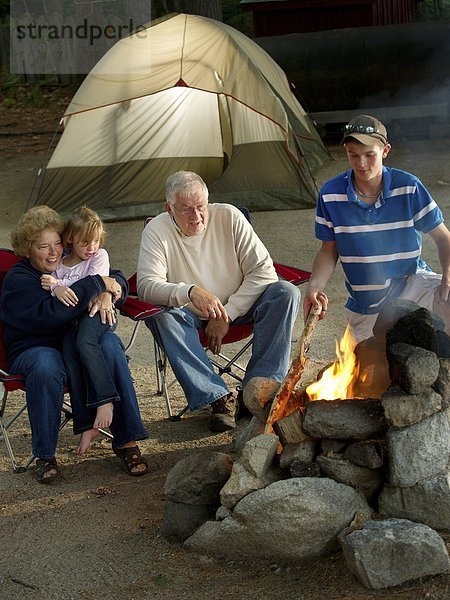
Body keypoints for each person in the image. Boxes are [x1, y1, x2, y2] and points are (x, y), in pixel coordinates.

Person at [137, 170, 301, 432]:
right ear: (169, 208)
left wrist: (227, 315)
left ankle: (258, 393)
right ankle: (217, 398)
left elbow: (264, 271)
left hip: (240, 307)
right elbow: (145, 287)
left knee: (286, 293)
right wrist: (190, 291)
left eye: (201, 206)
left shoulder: (229, 216)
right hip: (188, 317)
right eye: (186, 209)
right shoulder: (157, 230)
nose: (197, 216)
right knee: (161, 316)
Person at [0, 206, 149, 483]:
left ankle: (127, 442)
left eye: (57, 243)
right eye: (44, 246)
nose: (54, 252)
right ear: (28, 249)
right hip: (34, 349)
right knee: (47, 365)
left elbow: (115, 277)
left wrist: (108, 291)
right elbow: (53, 316)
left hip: (76, 343)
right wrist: (97, 284)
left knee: (111, 347)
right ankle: (45, 456)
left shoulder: (70, 261)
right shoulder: (19, 280)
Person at [304, 114, 450, 343]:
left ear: (385, 150)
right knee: (370, 375)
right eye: (353, 155)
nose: (361, 164)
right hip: (366, 304)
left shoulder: (409, 187)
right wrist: (314, 286)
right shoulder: (330, 194)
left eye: (369, 155)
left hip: (413, 286)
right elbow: (328, 249)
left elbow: (443, 238)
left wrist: (447, 280)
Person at [40, 206, 121, 431]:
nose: (91, 248)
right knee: (69, 352)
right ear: (71, 239)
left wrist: (57, 286)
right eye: (84, 243)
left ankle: (105, 400)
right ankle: (85, 425)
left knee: (85, 341)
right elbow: (56, 292)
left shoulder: (99, 257)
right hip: (72, 322)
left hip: (98, 315)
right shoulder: (60, 265)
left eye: (95, 241)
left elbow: (93, 284)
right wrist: (56, 289)